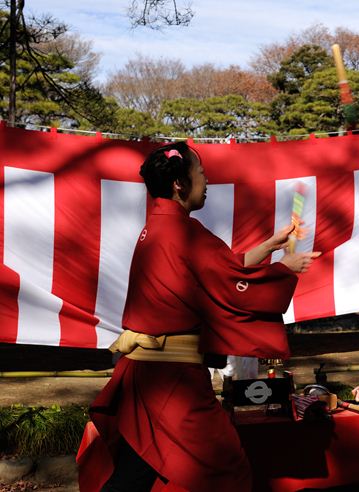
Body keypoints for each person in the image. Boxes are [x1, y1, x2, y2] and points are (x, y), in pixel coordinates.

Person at [77, 141, 319, 492]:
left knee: (139, 471)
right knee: (224, 468)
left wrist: (269, 246)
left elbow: (218, 272)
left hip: (145, 375)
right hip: (171, 382)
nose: (206, 182)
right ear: (180, 184)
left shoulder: (159, 227)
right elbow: (230, 282)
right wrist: (284, 270)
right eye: (201, 174)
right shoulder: (182, 232)